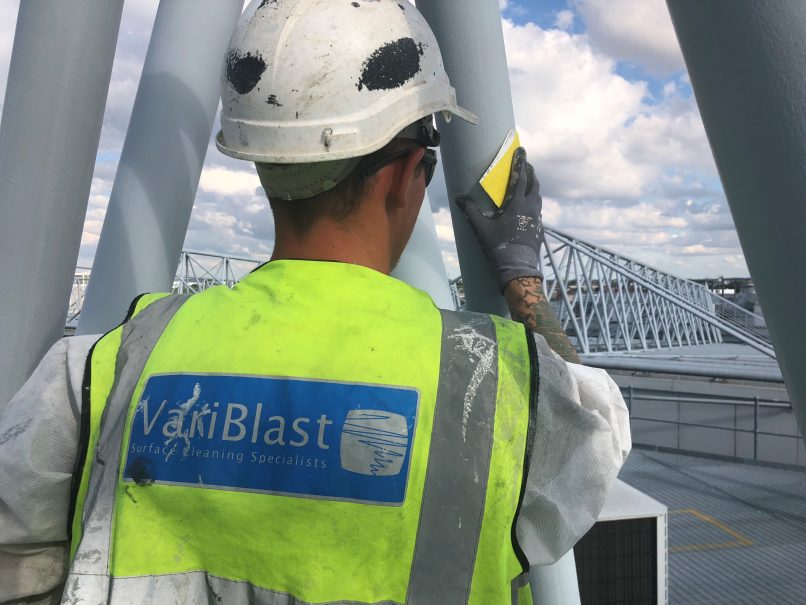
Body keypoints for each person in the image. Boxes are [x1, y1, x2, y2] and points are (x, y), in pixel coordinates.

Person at [0, 1, 630, 603]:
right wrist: (523, 283)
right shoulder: (507, 391)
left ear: (265, 165)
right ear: (404, 174)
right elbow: (598, 439)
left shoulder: (99, 371)